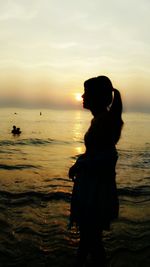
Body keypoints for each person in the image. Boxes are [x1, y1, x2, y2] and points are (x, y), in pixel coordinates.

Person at [68, 75, 123, 266]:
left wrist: (82, 164)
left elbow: (108, 156)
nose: (82, 96)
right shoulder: (101, 119)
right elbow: (96, 152)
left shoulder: (105, 121)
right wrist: (80, 161)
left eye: (87, 92)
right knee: (89, 239)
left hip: (96, 193)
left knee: (92, 240)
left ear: (97, 96)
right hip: (94, 189)